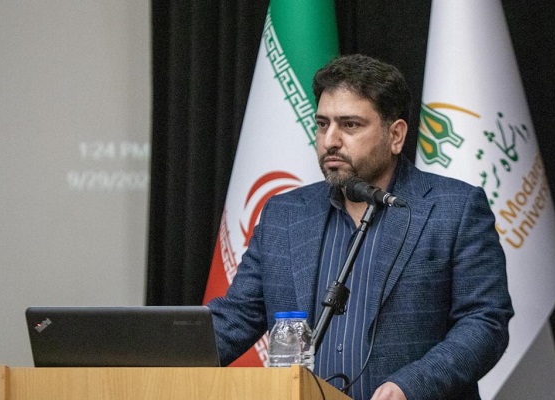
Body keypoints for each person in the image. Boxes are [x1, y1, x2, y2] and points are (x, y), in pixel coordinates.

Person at [207, 54, 513, 400]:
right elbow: (235, 319)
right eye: (322, 124)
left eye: (350, 125)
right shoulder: (284, 214)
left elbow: (484, 321)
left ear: (395, 135)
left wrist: (411, 385)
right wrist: (160, 351)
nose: (330, 140)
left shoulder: (454, 208)